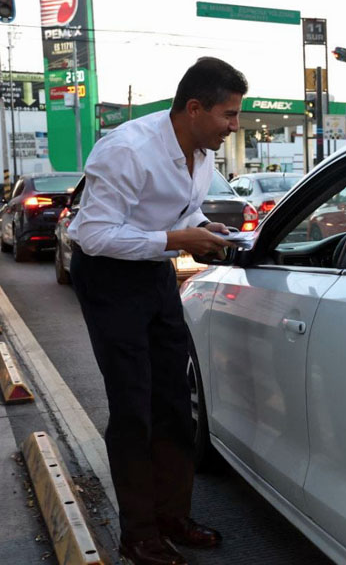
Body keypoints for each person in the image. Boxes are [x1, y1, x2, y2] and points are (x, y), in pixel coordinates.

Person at [68, 57, 245, 565]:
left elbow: (183, 211)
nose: (234, 126)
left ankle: (174, 517)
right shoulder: (126, 150)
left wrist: (206, 232)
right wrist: (175, 238)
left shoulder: (201, 152)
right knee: (134, 406)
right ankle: (138, 534)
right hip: (107, 277)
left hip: (154, 269)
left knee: (174, 400)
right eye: (228, 115)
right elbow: (95, 234)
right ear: (194, 108)